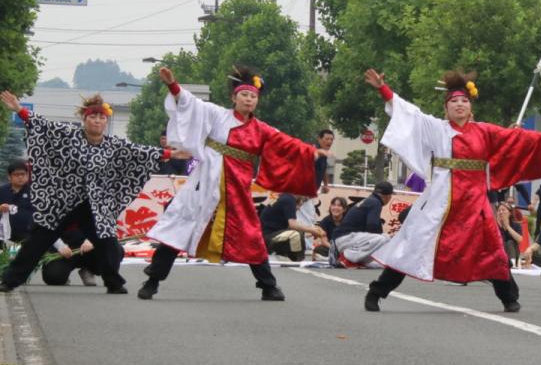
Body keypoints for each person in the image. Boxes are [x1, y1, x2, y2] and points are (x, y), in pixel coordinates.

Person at [360, 68, 541, 313]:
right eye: (454, 101)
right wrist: (384, 89)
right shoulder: (435, 128)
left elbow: (515, 139)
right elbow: (408, 113)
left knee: (494, 249)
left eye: (464, 101)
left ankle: (509, 297)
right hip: (441, 203)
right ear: (446, 108)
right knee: (414, 244)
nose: (459, 105)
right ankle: (377, 291)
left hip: (475, 203)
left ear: (471, 106)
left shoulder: (484, 131)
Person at [137, 66, 323, 301]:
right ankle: (153, 280)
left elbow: (285, 143)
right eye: (244, 95)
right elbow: (190, 104)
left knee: (250, 233)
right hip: (208, 180)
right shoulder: (217, 115)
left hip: (237, 185)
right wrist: (172, 85)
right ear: (234, 97)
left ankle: (268, 285)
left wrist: (309, 152)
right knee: (181, 225)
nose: (249, 99)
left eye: (253, 96)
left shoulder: (261, 129)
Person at [0, 91, 170, 294]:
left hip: (93, 204)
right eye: (93, 116)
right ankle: (10, 280)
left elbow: (139, 152)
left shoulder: (114, 145)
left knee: (108, 241)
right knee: (37, 240)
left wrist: (170, 153)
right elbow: (44, 126)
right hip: (62, 202)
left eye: (102, 117)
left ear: (106, 121)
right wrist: (20, 110)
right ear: (84, 119)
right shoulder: (69, 135)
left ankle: (113, 282)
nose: (97, 121)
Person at [330, 182, 393, 267]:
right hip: (345, 239)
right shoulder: (375, 202)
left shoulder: (371, 200)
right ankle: (346, 258)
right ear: (388, 196)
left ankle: (357, 260)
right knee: (382, 239)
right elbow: (372, 227)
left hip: (347, 239)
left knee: (385, 243)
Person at [259, 194, 325, 261]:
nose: (298, 208)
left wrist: (310, 233)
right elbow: (293, 225)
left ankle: (285, 255)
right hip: (268, 238)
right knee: (295, 235)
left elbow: (287, 228)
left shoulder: (284, 197)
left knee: (298, 233)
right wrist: (312, 230)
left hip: (268, 236)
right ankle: (298, 260)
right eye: (299, 204)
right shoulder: (289, 200)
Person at [0, 160, 34, 244]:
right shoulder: (2, 190)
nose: (20, 177)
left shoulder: (34, 191)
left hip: (27, 235)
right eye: (16, 175)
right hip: (5, 235)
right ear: (9, 177)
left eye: (23, 174)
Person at [497, 202, 524, 268]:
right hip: (501, 254)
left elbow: (520, 240)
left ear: (510, 213)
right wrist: (499, 227)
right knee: (502, 243)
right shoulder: (495, 226)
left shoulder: (516, 225)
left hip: (513, 253)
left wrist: (508, 227)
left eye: (503, 210)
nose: (501, 212)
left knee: (510, 242)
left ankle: (513, 264)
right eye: (499, 210)